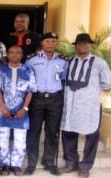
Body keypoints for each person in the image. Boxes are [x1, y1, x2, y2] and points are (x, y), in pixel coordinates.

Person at [59, 33, 111, 178]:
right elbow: (62, 79)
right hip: (70, 105)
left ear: (91, 46)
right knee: (68, 133)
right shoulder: (68, 62)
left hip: (90, 106)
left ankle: (85, 166)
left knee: (92, 135)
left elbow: (107, 83)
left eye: (85, 44)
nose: (82, 46)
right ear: (75, 46)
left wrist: (90, 92)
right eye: (79, 44)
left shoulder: (100, 63)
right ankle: (71, 163)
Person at [25, 32, 68, 175]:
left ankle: (49, 161)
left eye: (53, 41)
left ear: (56, 43)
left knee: (52, 132)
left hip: (55, 99)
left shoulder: (63, 61)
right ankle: (31, 162)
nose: (50, 43)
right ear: (42, 43)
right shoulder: (31, 60)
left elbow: (64, 79)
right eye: (47, 41)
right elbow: (26, 78)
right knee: (33, 131)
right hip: (37, 98)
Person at [0, 45, 37, 176]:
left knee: (20, 141)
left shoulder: (28, 70)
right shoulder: (1, 69)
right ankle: (4, 164)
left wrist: (24, 109)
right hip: (4, 111)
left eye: (18, 52)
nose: (14, 55)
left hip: (22, 112)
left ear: (22, 55)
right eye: (11, 52)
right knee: (3, 140)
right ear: (7, 54)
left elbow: (30, 91)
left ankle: (16, 165)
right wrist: (2, 106)